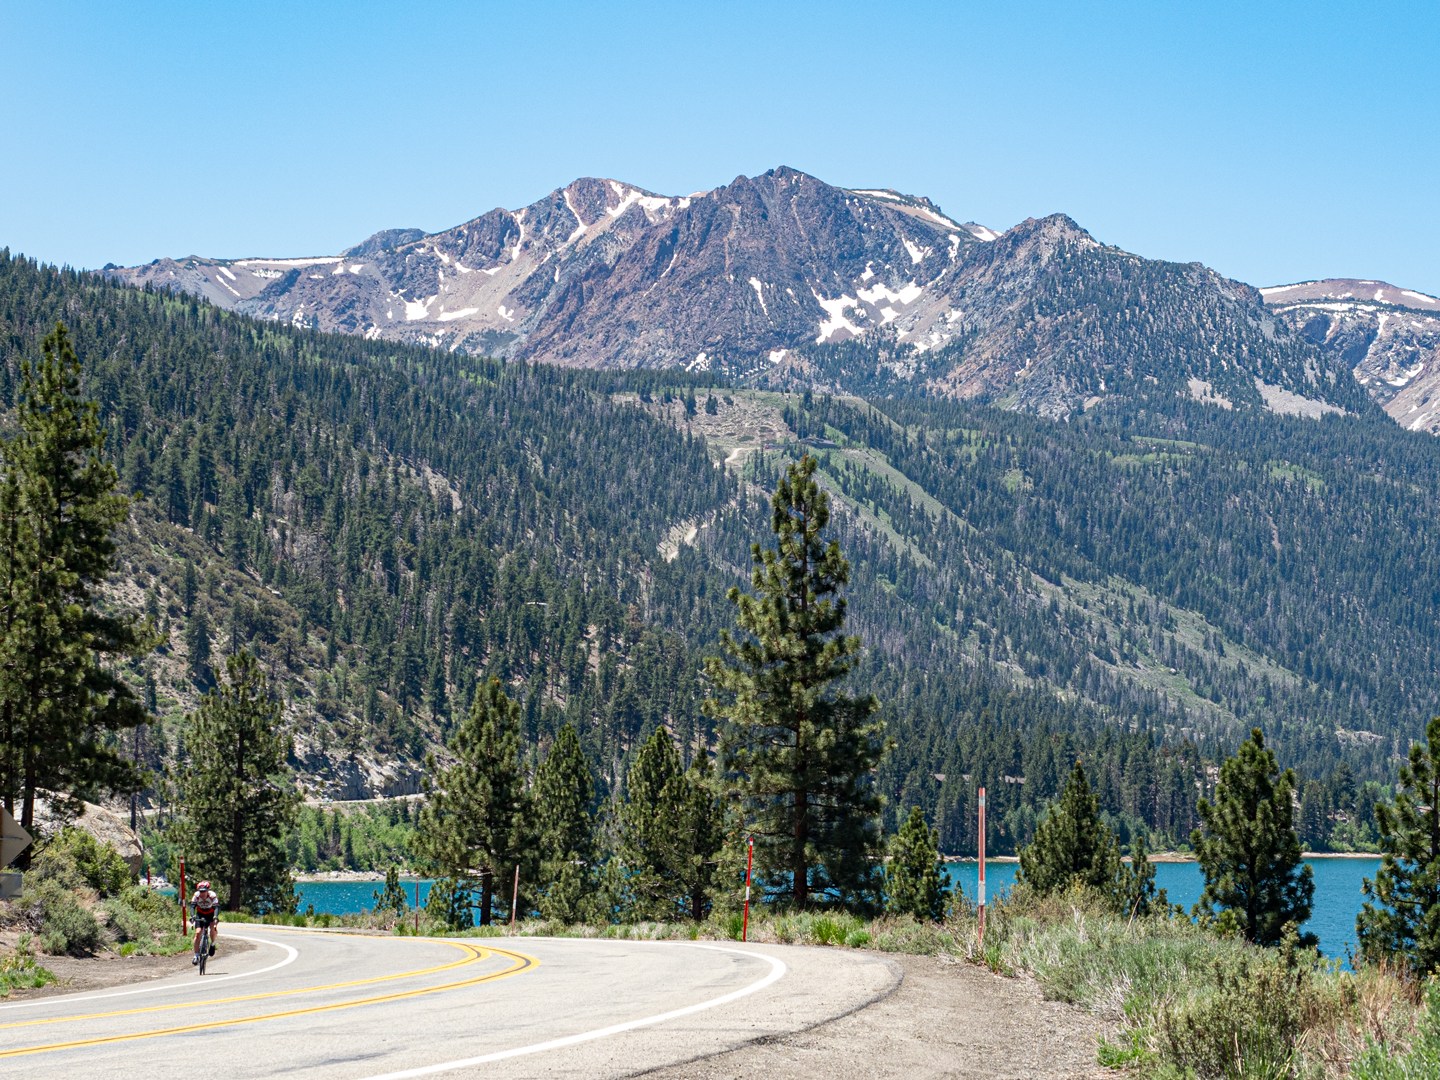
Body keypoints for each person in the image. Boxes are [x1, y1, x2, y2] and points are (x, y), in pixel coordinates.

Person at [190, 880, 220, 965]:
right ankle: (196, 956)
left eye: (204, 891)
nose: (202, 893)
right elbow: (192, 907)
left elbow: (217, 907)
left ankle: (213, 944)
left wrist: (215, 917)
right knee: (198, 933)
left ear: (207, 891)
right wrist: (192, 916)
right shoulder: (196, 895)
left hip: (211, 914)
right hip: (200, 914)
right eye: (201, 891)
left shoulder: (212, 895)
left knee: (213, 929)